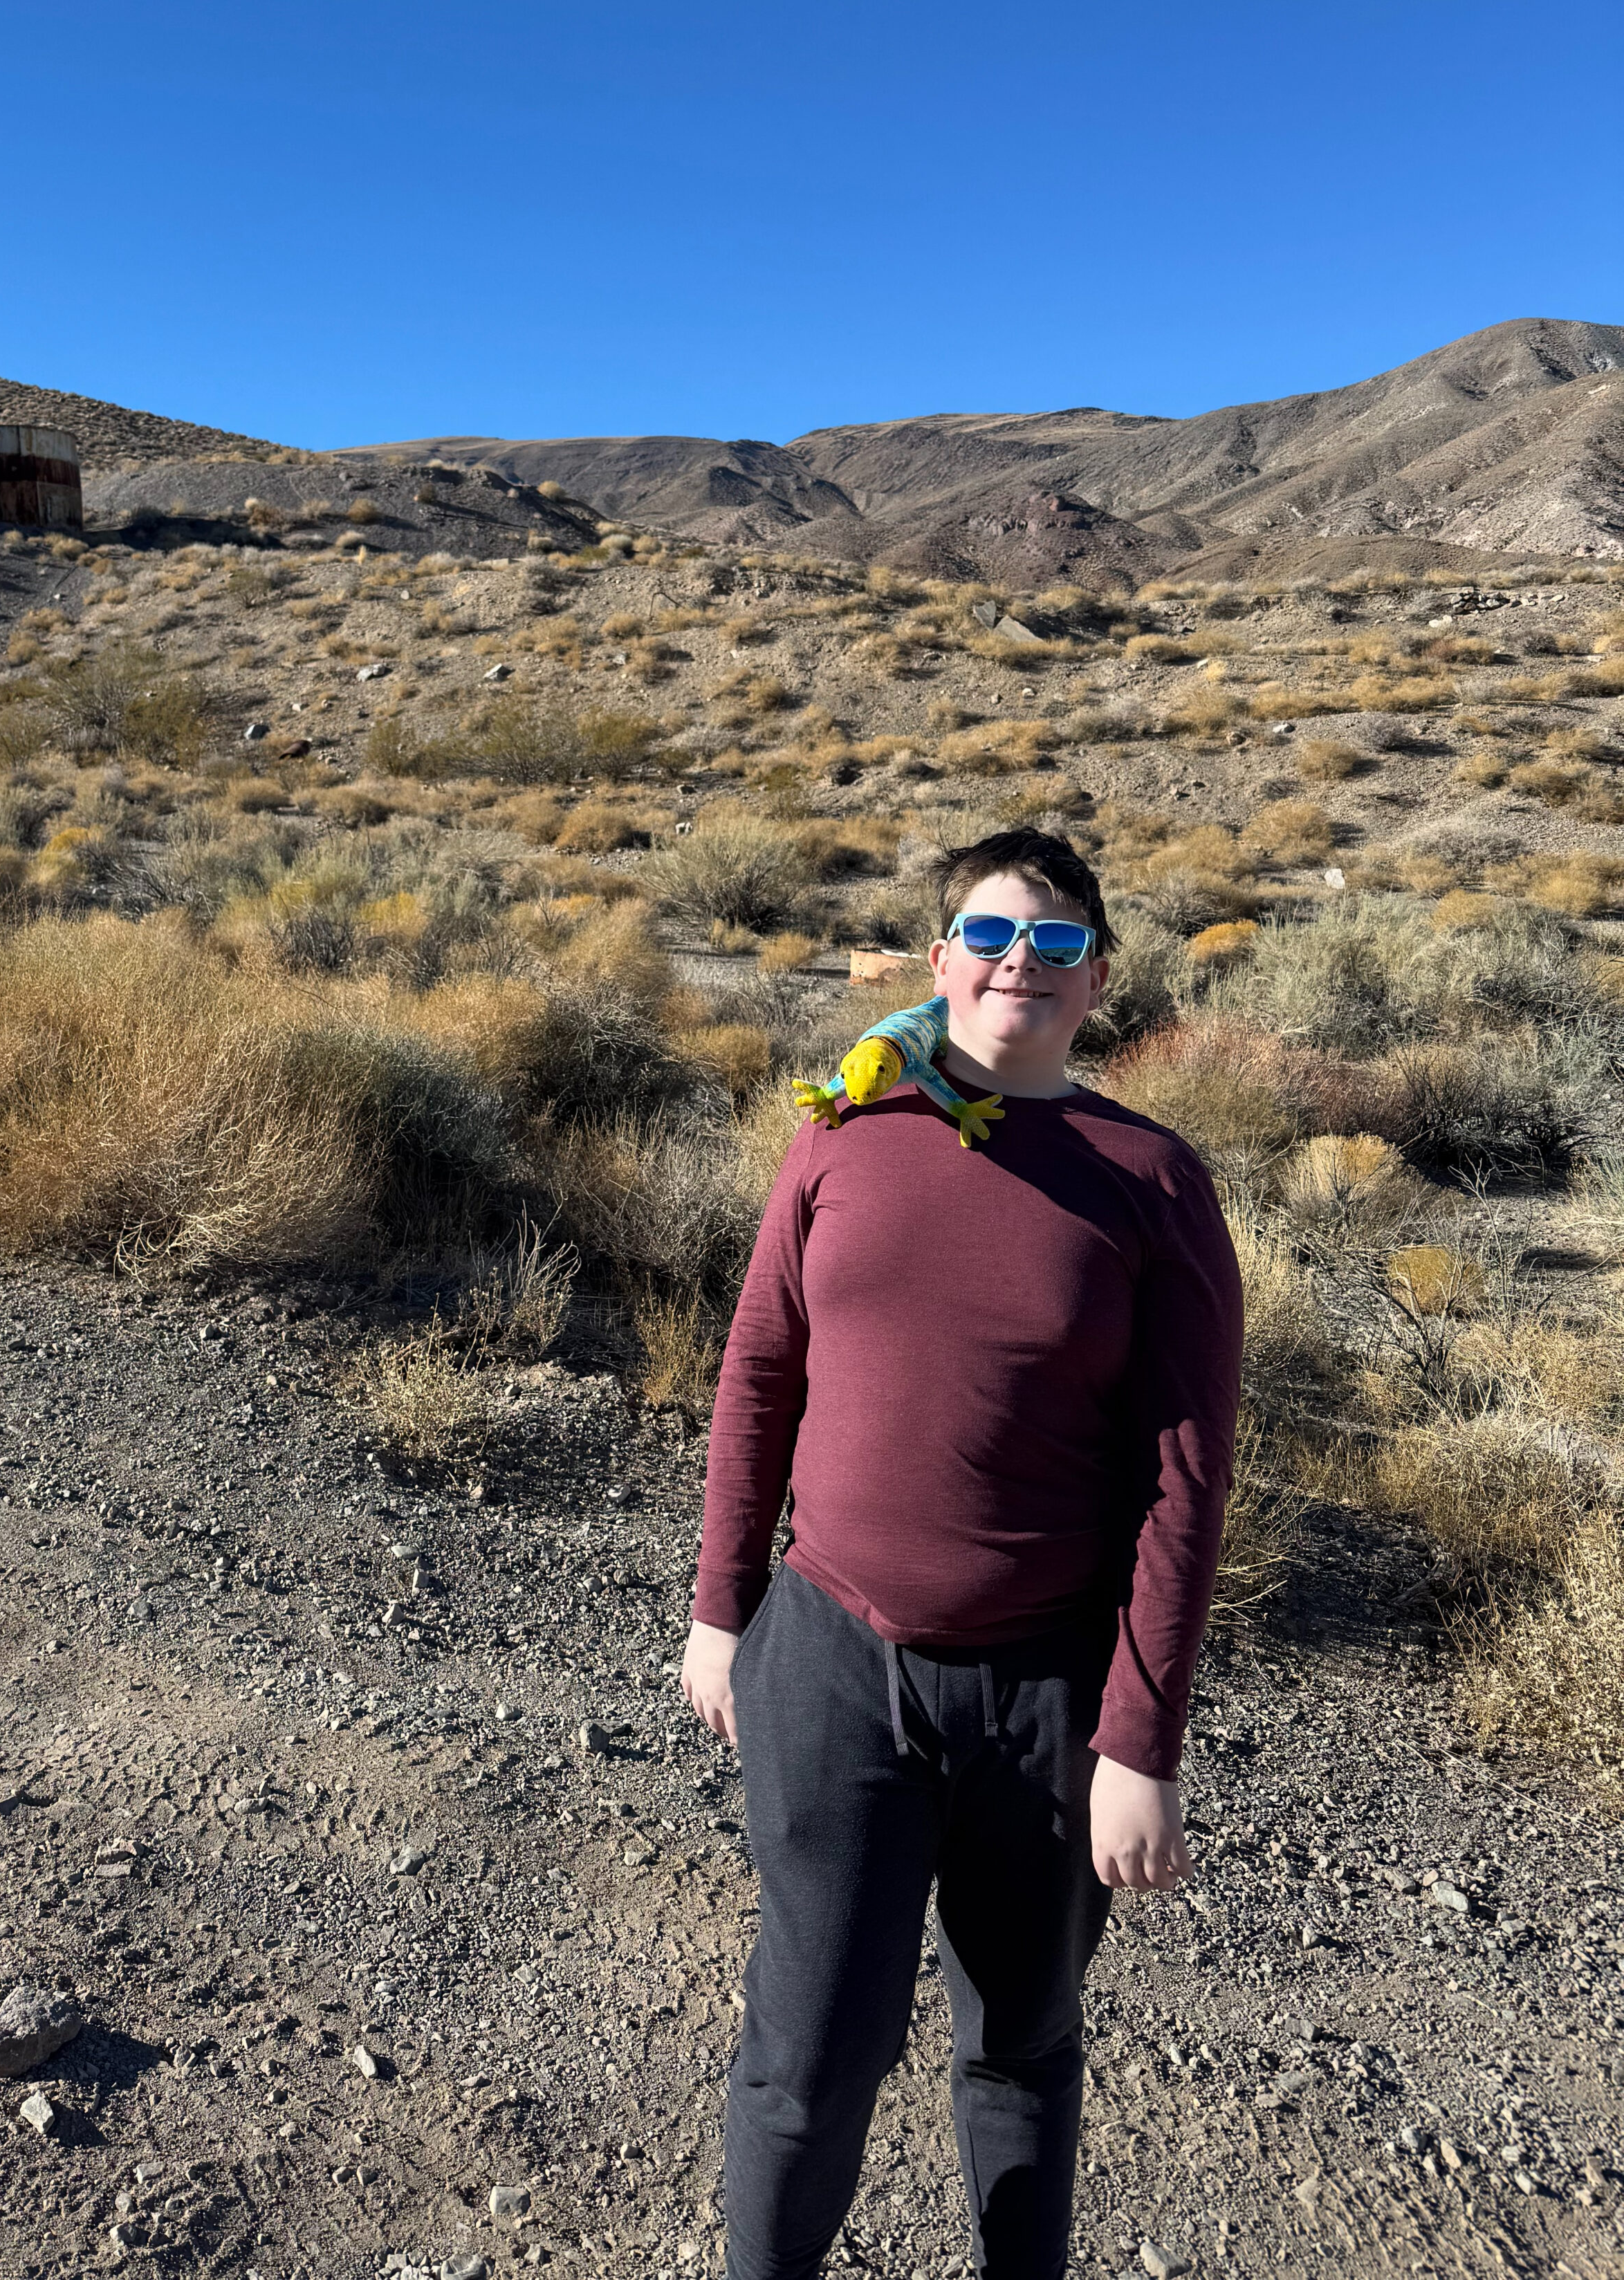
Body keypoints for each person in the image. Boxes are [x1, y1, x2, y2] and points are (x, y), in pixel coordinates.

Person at [681, 827, 1244, 2280]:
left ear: (1097, 978)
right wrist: (721, 1605)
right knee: (811, 2051)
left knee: (1021, 2046)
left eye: (1058, 947)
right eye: (991, 938)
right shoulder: (842, 1132)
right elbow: (758, 1371)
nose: (1021, 967)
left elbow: (1187, 1480)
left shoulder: (1152, 1180)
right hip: (832, 1659)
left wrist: (1142, 1736)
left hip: (1047, 1696)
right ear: (938, 963)